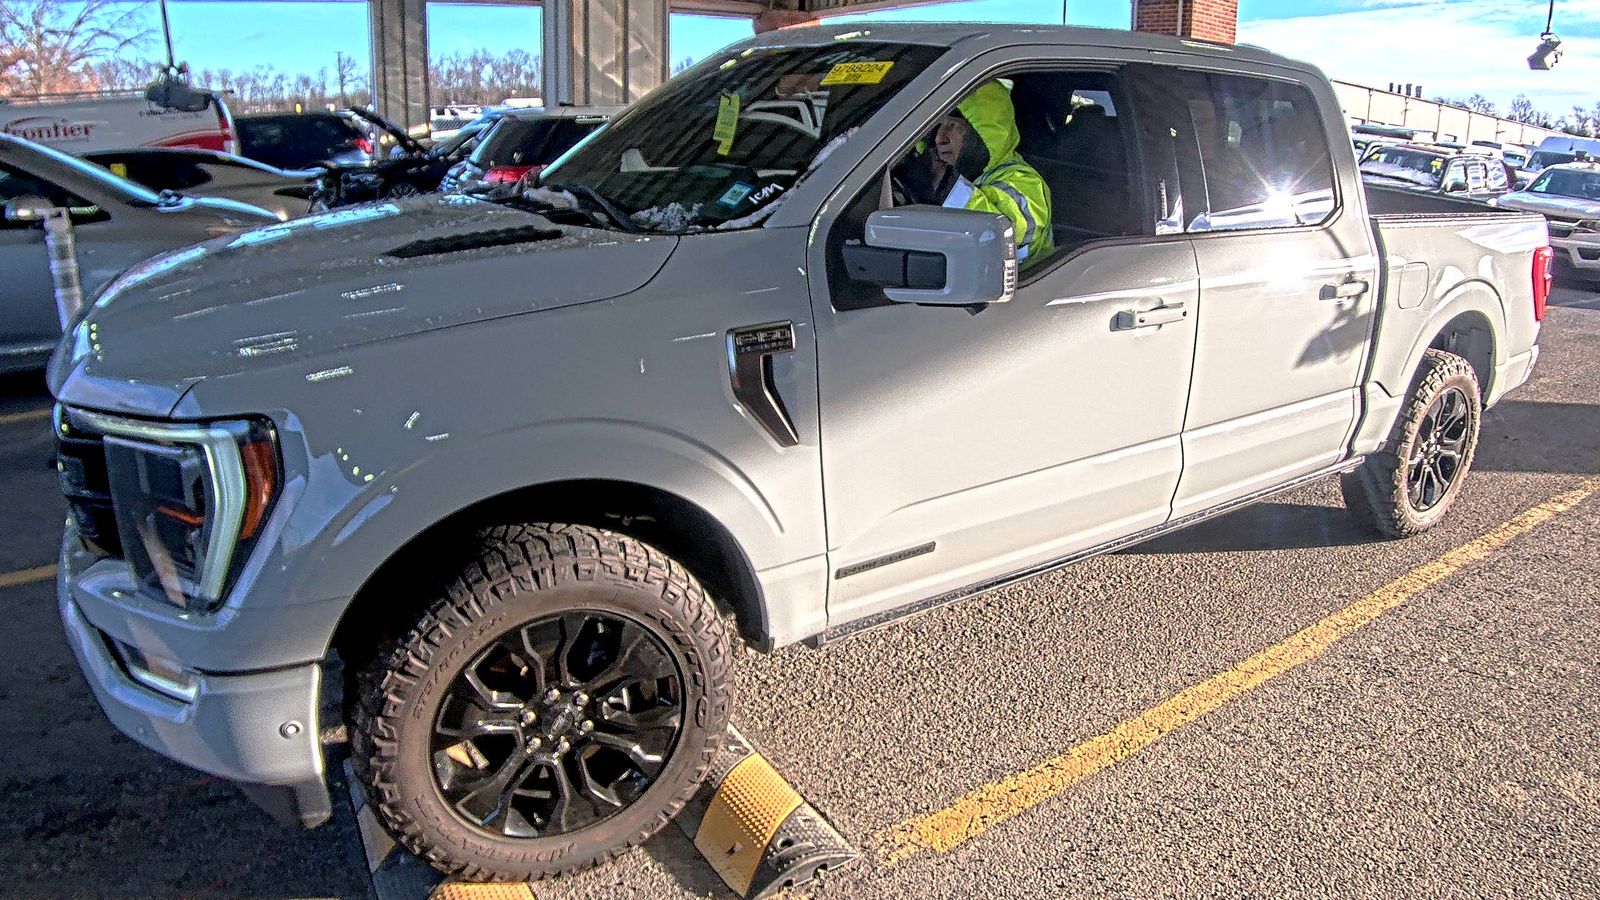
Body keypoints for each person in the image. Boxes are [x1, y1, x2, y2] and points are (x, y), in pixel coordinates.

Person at [931, 81, 1054, 264]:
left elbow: (1000, 234)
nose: (939, 138)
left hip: (1028, 288)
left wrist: (945, 185)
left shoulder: (1025, 183)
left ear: (982, 134)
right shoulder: (965, 174)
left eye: (954, 126)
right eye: (939, 125)